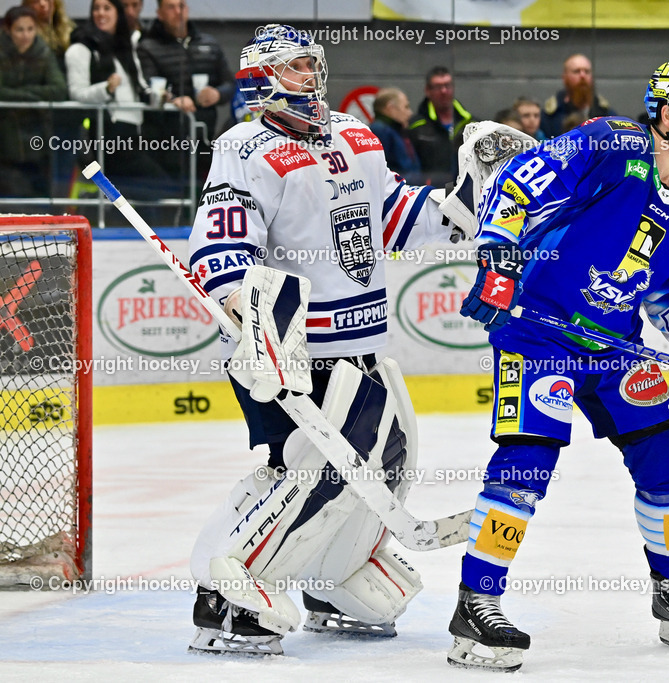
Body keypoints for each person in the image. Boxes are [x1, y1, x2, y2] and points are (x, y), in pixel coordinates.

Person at [446, 60, 669, 672]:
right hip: (540, 331)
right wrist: (496, 256)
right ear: (667, 112)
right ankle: (476, 601)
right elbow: (518, 181)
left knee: (665, 459)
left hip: (616, 345)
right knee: (527, 461)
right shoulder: (610, 143)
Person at [186, 24, 471, 656]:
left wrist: (455, 212)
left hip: (362, 348)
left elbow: (390, 214)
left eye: (312, 66)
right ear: (261, 79)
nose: (310, 79)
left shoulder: (354, 133)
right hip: (290, 352)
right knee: (300, 474)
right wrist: (249, 311)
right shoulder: (245, 146)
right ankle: (225, 592)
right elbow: (222, 243)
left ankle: (333, 580)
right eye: (293, 69)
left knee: (381, 467)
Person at [65, 0, 172, 211]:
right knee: (161, 187)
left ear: (117, 13)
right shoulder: (81, 49)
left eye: (106, 8)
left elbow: (140, 86)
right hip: (106, 135)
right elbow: (77, 93)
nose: (100, 13)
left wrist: (160, 97)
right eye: (96, 8)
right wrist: (106, 89)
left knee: (156, 188)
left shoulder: (126, 46)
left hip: (135, 133)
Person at [137, 0, 234, 182]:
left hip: (204, 138)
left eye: (181, 6)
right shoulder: (148, 47)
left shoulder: (209, 44)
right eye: (171, 7)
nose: (177, 12)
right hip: (165, 140)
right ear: (160, 13)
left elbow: (230, 83)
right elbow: (147, 87)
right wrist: (172, 100)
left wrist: (217, 94)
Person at [0, 5, 66, 198]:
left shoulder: (44, 53)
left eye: (30, 29)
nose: (25, 35)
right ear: (8, 30)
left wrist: (21, 93)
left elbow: (59, 90)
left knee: (38, 202)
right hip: (5, 138)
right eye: (19, 29)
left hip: (38, 141)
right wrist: (34, 96)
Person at [408, 66, 474, 186]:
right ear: (428, 90)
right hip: (430, 193)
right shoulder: (416, 126)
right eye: (438, 87)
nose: (444, 91)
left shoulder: (470, 124)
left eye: (447, 85)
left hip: (465, 193)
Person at [540, 54, 615, 139]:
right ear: (565, 77)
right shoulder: (550, 117)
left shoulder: (606, 114)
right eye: (576, 71)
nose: (582, 76)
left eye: (587, 71)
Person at [369, 87, 423, 184]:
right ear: (391, 108)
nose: (410, 113)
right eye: (406, 107)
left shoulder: (396, 130)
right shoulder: (381, 132)